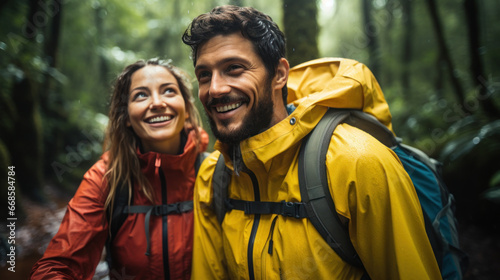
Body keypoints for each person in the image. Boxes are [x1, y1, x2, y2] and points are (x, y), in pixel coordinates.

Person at [182, 5, 442, 279]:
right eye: (204, 75)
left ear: (280, 74)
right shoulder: (213, 177)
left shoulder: (358, 163)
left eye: (234, 68)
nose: (215, 89)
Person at [30, 58, 209, 280]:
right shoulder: (106, 177)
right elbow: (59, 266)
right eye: (141, 95)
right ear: (125, 117)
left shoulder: (214, 172)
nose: (157, 103)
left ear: (187, 109)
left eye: (169, 91)